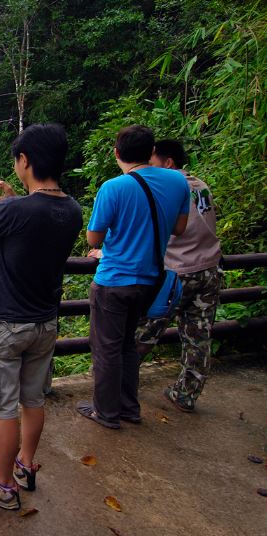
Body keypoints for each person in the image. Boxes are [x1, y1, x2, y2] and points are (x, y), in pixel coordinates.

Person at [0, 123, 82, 510]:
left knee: (3, 409)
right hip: (45, 323)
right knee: (33, 399)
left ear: (24, 160)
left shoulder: (15, 210)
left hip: (6, 324)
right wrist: (10, 197)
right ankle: (25, 465)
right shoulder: (71, 209)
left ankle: (4, 487)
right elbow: (34, 223)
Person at [76, 125, 190, 429]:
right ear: (151, 152)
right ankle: (129, 408)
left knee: (106, 349)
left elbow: (93, 238)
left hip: (114, 281)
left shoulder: (114, 187)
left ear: (117, 153)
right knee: (126, 344)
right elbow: (179, 229)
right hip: (150, 280)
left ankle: (106, 413)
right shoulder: (178, 182)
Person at [135, 139, 222, 412]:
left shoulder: (168, 188)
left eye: (152, 161)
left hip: (177, 272)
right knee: (198, 337)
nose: (148, 167)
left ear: (168, 162)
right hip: (209, 269)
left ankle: (121, 386)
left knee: (142, 332)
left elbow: (155, 229)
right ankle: (185, 395)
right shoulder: (201, 184)